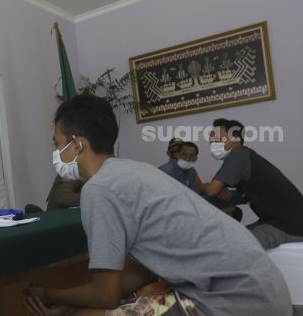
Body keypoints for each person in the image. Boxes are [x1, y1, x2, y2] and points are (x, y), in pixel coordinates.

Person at [23, 94, 291, 316]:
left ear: (78, 145)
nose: (56, 153)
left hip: (237, 304)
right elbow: (142, 273)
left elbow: (105, 295)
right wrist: (72, 301)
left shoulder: (100, 188)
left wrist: (49, 294)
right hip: (268, 292)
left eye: (58, 144)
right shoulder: (138, 171)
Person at [199, 118, 303, 249]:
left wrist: (201, 187)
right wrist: (221, 189)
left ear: (235, 139)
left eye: (217, 140)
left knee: (229, 248)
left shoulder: (238, 155)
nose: (213, 144)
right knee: (237, 233)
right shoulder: (248, 155)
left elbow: (211, 190)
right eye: (211, 142)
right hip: (281, 220)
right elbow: (220, 189)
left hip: (290, 226)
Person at [159, 141, 242, 220]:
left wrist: (216, 190)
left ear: (195, 159)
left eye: (191, 156)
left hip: (189, 206)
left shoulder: (191, 171)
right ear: (177, 155)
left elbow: (196, 192)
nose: (187, 158)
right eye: (184, 155)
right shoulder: (165, 171)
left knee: (233, 207)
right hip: (170, 211)